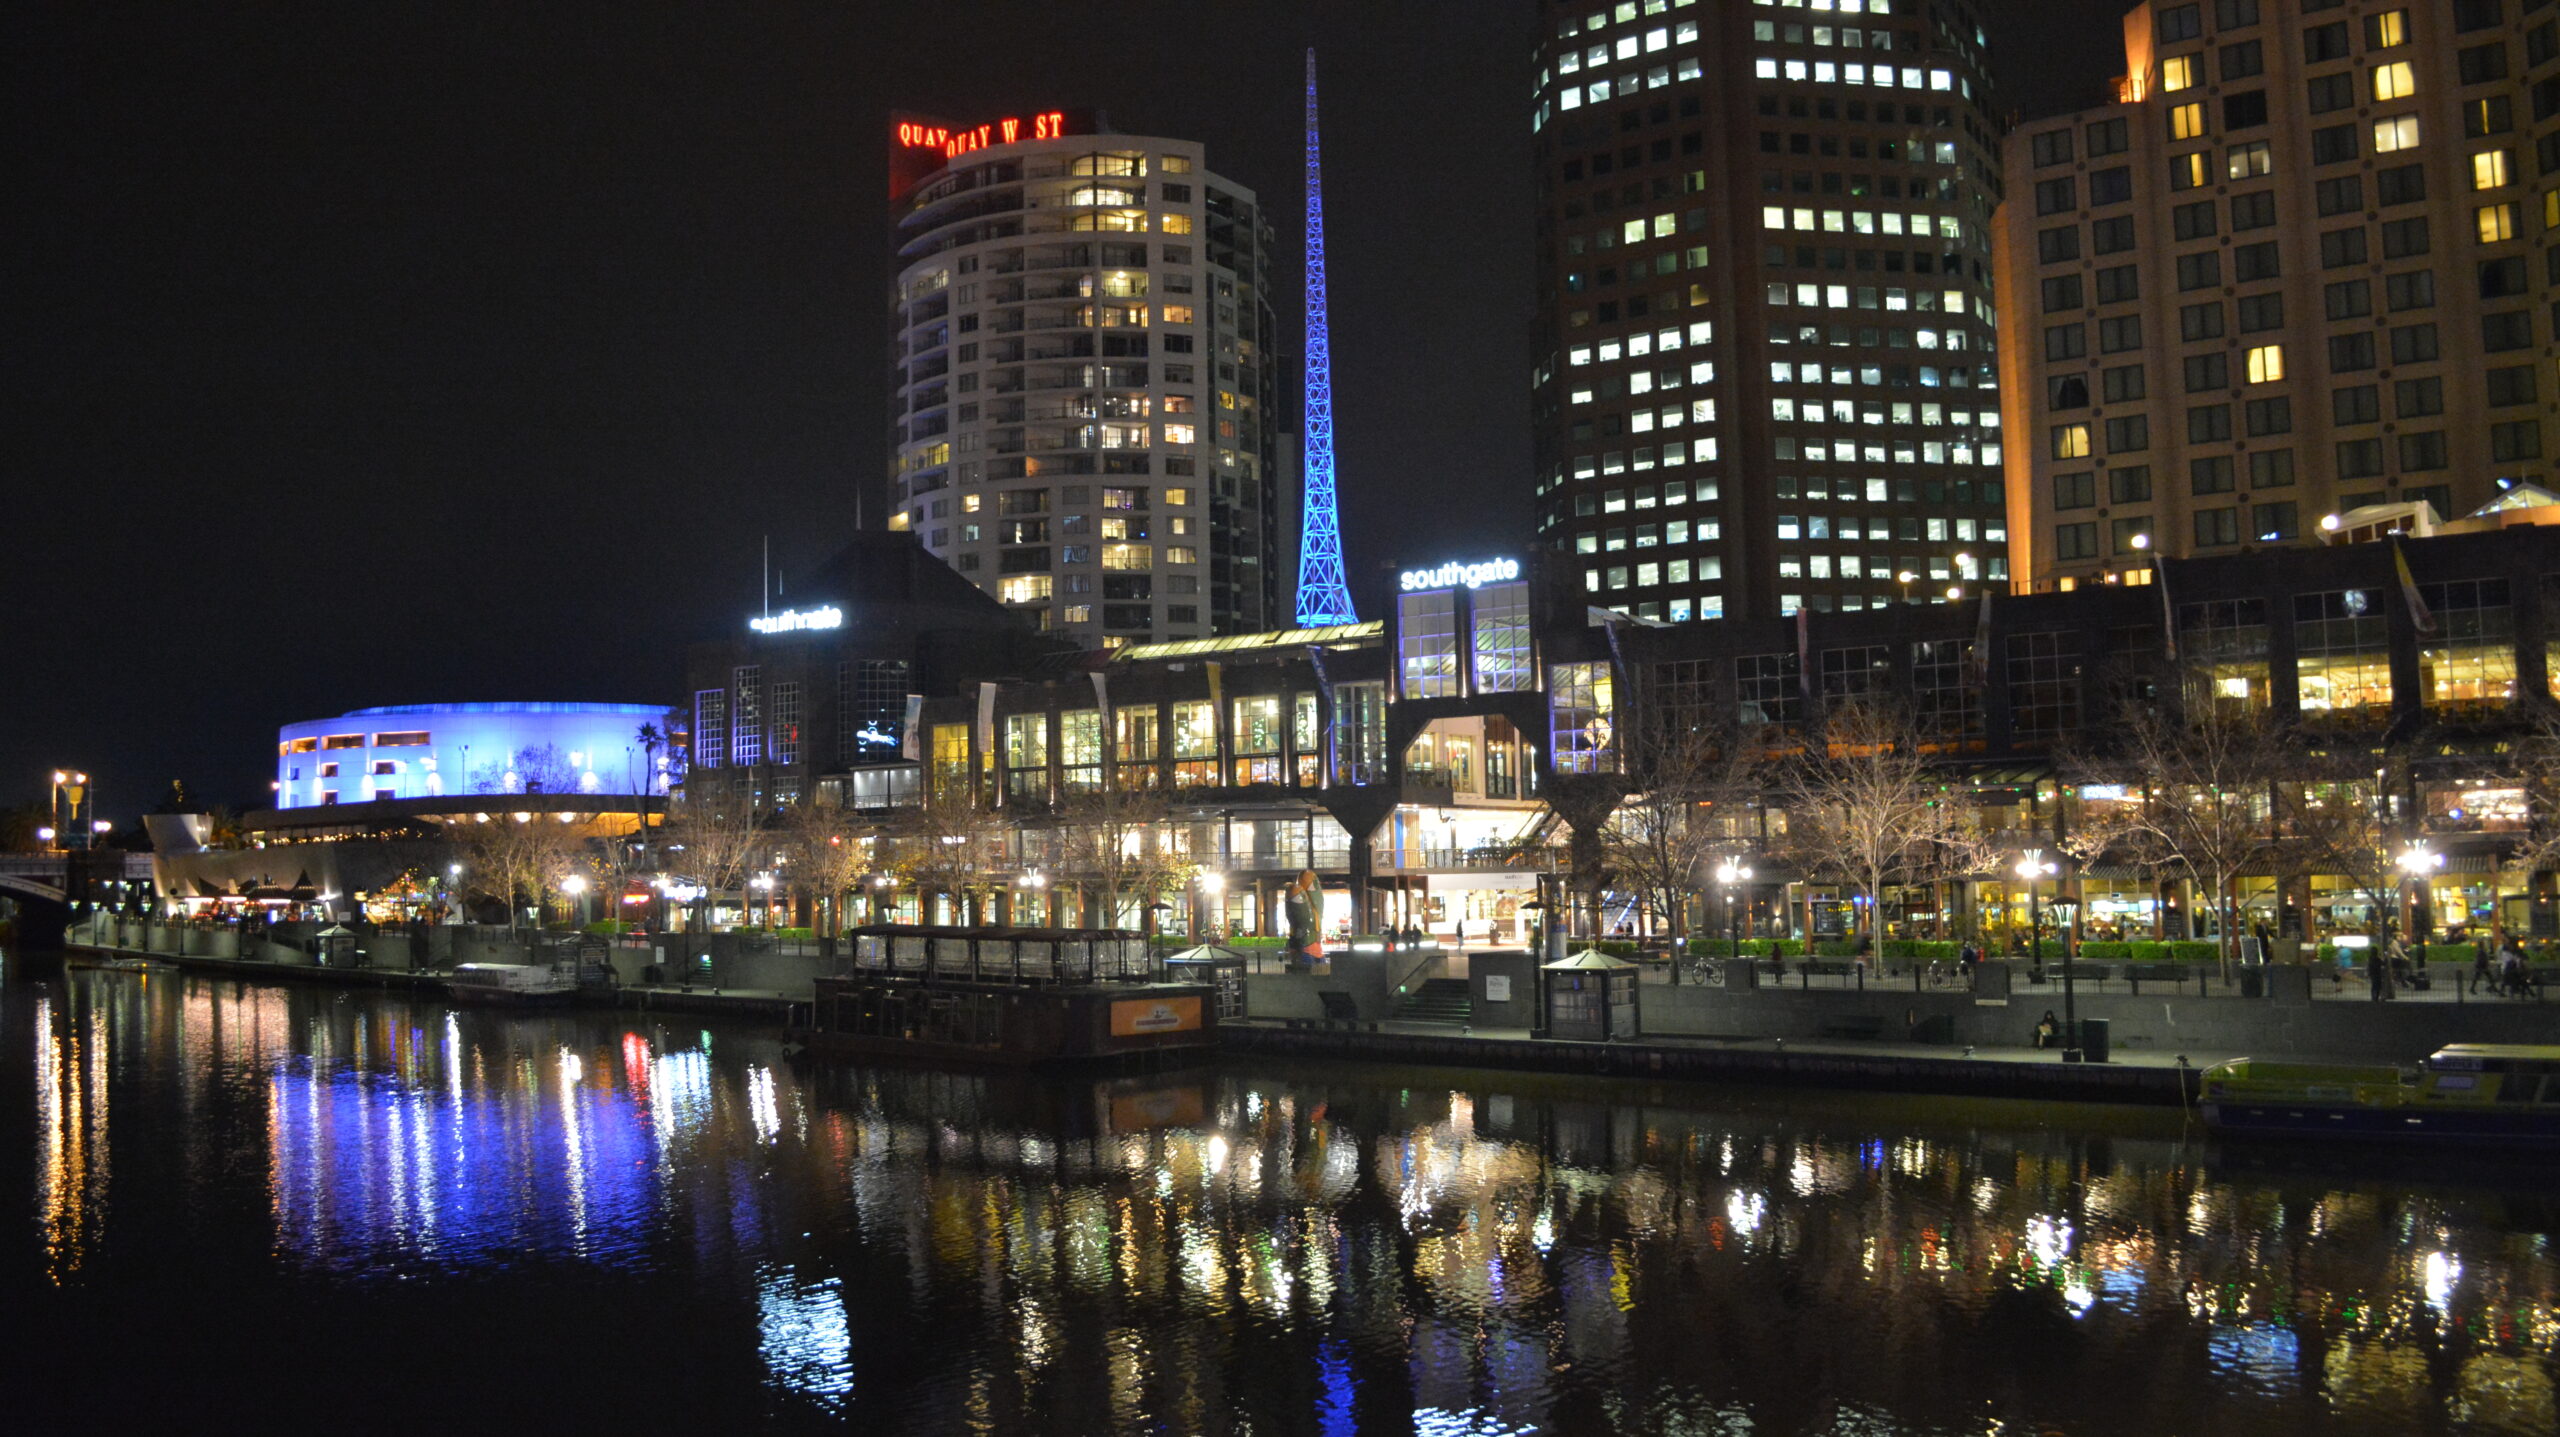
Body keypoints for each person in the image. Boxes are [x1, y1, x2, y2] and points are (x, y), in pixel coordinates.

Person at [1283, 870, 1317, 973]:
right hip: (1305, 943)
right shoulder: (1297, 893)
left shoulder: (1292, 896)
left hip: (1301, 941)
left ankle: (1299, 963)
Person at [2473, 930, 2499, 995]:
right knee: (2487, 977)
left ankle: (2492, 987)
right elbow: (2481, 959)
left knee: (2479, 978)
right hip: (2482, 967)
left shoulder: (2480, 951)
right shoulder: (2482, 951)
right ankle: (2492, 987)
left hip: (2481, 967)